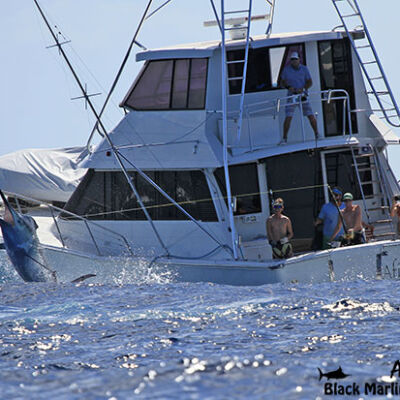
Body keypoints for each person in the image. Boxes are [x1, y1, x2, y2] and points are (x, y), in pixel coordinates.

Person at [280, 51, 319, 144]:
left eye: (295, 59)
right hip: (291, 96)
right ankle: (284, 138)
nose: (294, 61)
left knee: (310, 115)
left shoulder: (304, 69)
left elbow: (310, 82)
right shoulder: (286, 70)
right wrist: (289, 87)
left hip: (303, 95)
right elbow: (282, 82)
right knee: (288, 116)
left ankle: (317, 134)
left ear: (299, 60)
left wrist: (303, 88)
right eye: (292, 60)